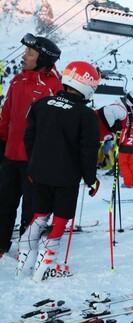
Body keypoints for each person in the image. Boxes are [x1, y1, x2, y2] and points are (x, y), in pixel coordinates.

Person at [17, 61, 101, 281]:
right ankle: (44, 267)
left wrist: (33, 164)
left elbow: (29, 138)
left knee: (39, 215)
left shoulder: (42, 104)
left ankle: (23, 264)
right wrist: (91, 179)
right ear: (88, 85)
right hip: (66, 177)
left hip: (39, 172)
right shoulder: (86, 115)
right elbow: (88, 152)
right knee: (61, 219)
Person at [0, 33, 63, 259]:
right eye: (26, 52)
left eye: (30, 53)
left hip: (34, 159)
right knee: (4, 201)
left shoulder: (53, 86)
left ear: (43, 59)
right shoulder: (17, 80)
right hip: (10, 155)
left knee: (32, 207)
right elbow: (6, 115)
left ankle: (26, 248)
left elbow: (58, 125)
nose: (24, 56)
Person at [100, 91, 133, 188]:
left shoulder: (129, 123)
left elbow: (123, 134)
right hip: (132, 147)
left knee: (124, 165)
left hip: (125, 146)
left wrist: (118, 143)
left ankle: (128, 183)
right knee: (130, 164)